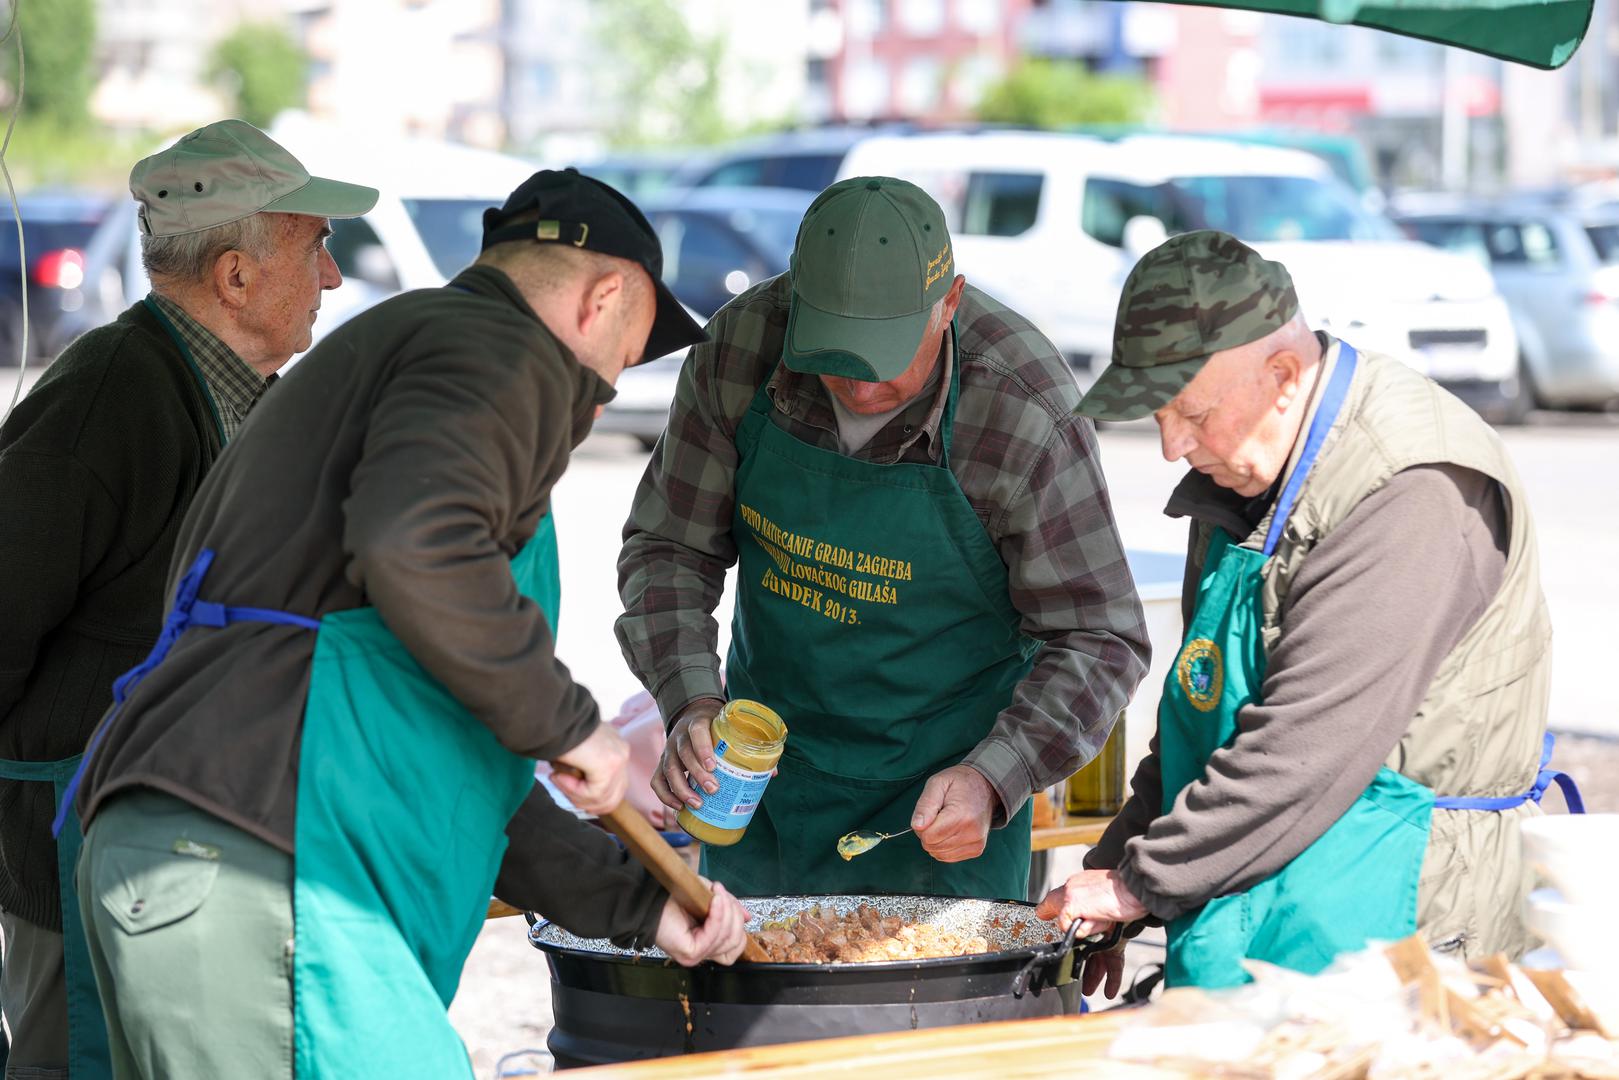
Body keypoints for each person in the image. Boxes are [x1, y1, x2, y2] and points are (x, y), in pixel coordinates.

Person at [64, 169, 750, 1079]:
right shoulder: (495, 349)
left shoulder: (394, 364)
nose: (602, 397)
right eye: (622, 362)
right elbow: (415, 539)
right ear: (603, 298)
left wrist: (640, 904)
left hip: (214, 846)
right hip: (264, 857)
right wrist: (569, 721)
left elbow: (469, 765)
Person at [1037, 230, 1581, 995]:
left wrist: (1138, 883)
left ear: (1283, 374)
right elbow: (1200, 710)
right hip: (1262, 888)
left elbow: (1305, 743)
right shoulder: (1242, 466)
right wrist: (1110, 877)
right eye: (1157, 415)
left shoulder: (1411, 488)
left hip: (1394, 921)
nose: (1169, 446)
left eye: (1189, 413)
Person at [619, 176, 1150, 902]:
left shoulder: (1021, 404)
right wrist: (688, 701)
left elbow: (1098, 637)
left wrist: (997, 774)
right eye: (834, 354)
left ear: (950, 305)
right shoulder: (742, 345)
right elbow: (668, 548)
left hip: (941, 803)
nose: (861, 389)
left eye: (887, 354)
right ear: (793, 302)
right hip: (757, 782)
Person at [0, 118, 376, 1078]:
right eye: (315, 246)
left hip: (180, 850)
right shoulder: (113, 393)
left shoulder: (239, 392)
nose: (333, 277)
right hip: (82, 852)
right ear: (236, 276)